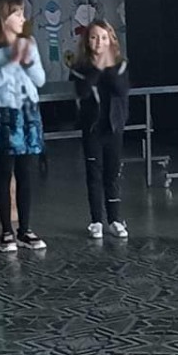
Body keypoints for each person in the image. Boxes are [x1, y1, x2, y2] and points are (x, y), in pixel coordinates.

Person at [0, 0, 46, 254]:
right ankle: (6, 230)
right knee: (4, 171)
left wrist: (28, 61)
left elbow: (40, 80)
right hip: (5, 115)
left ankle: (25, 229)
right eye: (17, 13)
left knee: (26, 172)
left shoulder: (29, 42)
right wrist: (12, 61)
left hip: (29, 113)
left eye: (22, 13)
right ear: (2, 17)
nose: (22, 18)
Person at [70, 19, 130, 241]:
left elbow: (121, 89)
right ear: (87, 41)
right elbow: (83, 91)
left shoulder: (120, 65)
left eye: (103, 38)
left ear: (111, 40)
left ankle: (115, 219)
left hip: (113, 128)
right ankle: (96, 220)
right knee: (94, 173)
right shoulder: (80, 68)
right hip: (92, 128)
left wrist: (108, 66)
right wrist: (96, 68)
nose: (98, 42)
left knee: (112, 174)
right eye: (94, 37)